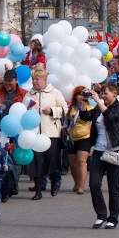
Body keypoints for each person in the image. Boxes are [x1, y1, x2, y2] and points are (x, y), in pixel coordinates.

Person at [85, 81, 119, 229]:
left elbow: (111, 117)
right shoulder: (98, 107)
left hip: (115, 151)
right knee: (94, 184)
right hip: (99, 150)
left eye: (106, 93)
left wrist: (98, 101)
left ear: (114, 93)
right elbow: (86, 116)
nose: (103, 96)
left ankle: (113, 218)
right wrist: (83, 103)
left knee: (113, 187)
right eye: (102, 94)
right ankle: (101, 215)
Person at [25, 67, 68, 199]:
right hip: (35, 134)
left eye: (37, 79)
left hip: (51, 133)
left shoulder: (54, 92)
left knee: (52, 161)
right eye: (33, 79)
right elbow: (23, 109)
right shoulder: (29, 94)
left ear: (44, 80)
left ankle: (54, 182)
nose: (34, 82)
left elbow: (65, 109)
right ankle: (38, 191)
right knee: (37, 162)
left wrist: (52, 111)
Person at [68, 87, 95, 195]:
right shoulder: (71, 107)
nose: (81, 97)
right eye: (79, 94)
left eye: (83, 95)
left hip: (85, 136)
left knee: (81, 161)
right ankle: (76, 182)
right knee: (73, 163)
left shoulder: (90, 107)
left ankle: (81, 186)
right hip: (72, 137)